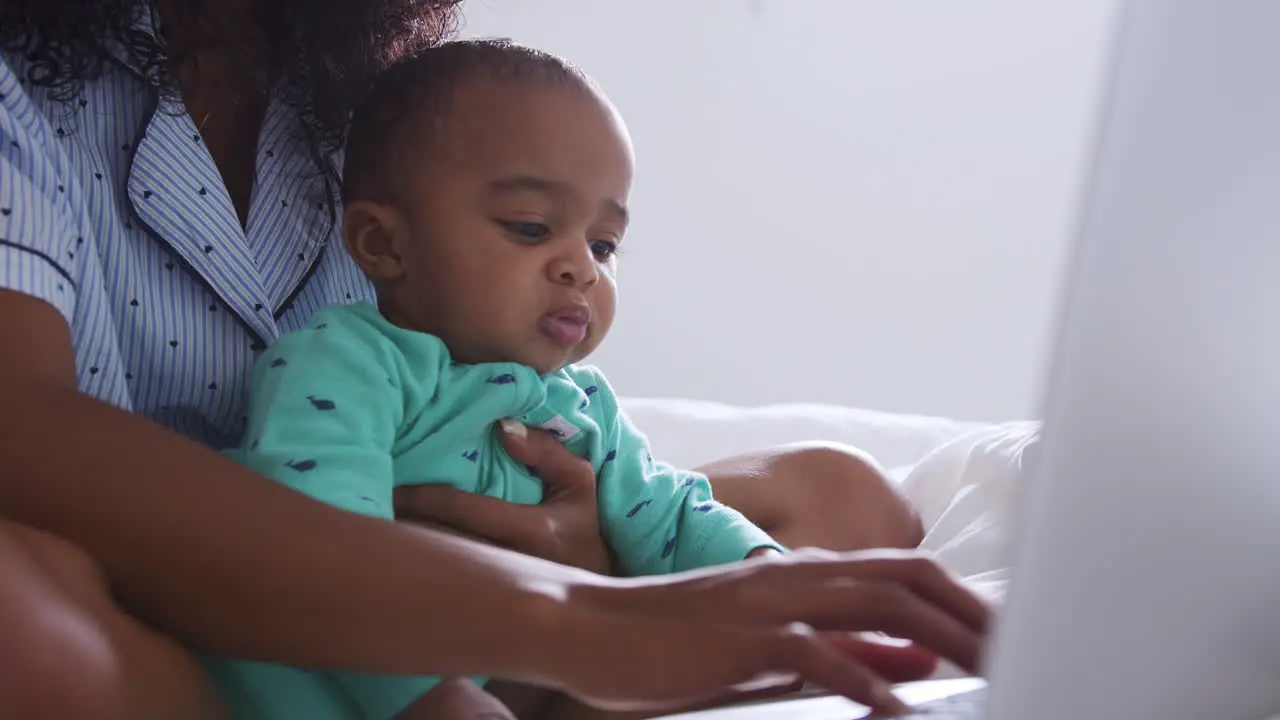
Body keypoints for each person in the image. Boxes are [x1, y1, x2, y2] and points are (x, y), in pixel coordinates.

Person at [0, 1, 988, 718]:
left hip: (488, 604)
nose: (577, 270)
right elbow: (24, 437)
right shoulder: (34, 94)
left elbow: (645, 496)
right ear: (378, 240)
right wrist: (567, 620)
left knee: (840, 496)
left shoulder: (358, 86)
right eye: (528, 228)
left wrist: (596, 557)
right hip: (211, 618)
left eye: (602, 249)